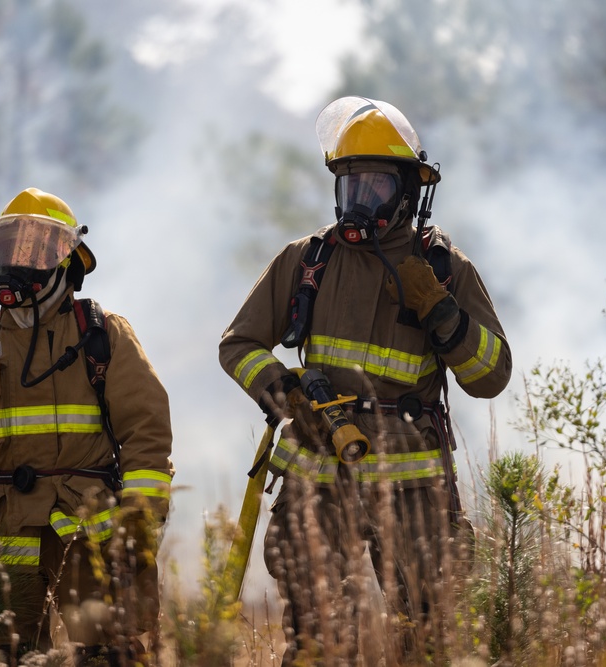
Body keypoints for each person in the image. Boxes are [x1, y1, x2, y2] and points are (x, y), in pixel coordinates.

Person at [219, 97, 511, 664]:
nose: (360, 200)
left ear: (409, 189)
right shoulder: (308, 260)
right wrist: (286, 394)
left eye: (375, 186)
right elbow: (238, 344)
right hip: (317, 485)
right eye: (350, 185)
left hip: (413, 496)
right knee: (319, 642)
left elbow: (490, 377)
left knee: (427, 641)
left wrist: (443, 315)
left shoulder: (444, 269)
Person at [0, 187, 173, 665]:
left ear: (65, 263)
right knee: (1, 655)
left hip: (90, 536)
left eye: (32, 250)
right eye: (9, 250)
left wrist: (140, 517)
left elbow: (146, 432)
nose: (16, 265)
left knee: (108, 655)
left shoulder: (102, 335)